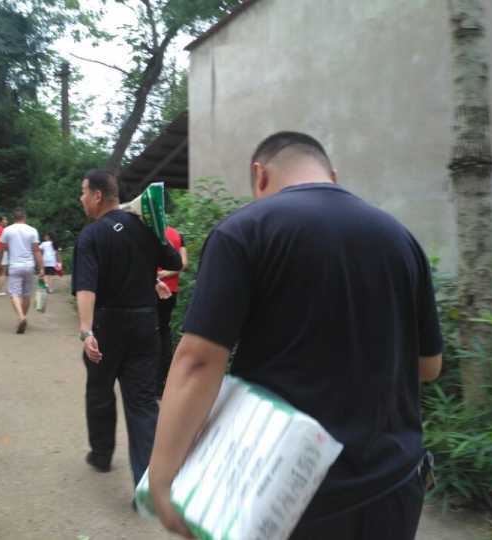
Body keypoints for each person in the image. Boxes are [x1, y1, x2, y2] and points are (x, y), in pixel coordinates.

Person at [148, 132, 443, 540]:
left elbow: (199, 362)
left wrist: (162, 477)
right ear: (332, 175)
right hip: (393, 488)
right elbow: (429, 366)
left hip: (287, 495)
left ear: (260, 175)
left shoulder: (245, 230)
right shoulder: (401, 238)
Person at [72, 169, 182, 491]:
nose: (81, 199)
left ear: (97, 196)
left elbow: (86, 287)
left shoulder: (91, 235)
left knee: (100, 390)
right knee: (143, 403)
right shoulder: (144, 226)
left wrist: (86, 331)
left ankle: (102, 454)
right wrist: (156, 238)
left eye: (83, 192)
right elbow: (174, 261)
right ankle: (147, 484)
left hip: (107, 325)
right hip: (145, 324)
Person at [0, 208, 45, 334]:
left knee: (14, 294)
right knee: (26, 294)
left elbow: (1, 250)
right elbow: (36, 251)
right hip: (29, 266)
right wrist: (42, 268)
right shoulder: (32, 230)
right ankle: (22, 317)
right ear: (24, 217)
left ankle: (21, 317)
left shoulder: (7, 230)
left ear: (14, 218)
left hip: (15, 266)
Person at [155, 225, 188, 397]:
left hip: (153, 289)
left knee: (152, 333)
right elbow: (184, 264)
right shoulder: (177, 235)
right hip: (171, 291)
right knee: (164, 331)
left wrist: (159, 275)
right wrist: (168, 273)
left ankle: (152, 381)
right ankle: (162, 381)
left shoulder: (151, 231)